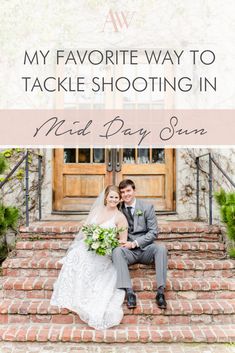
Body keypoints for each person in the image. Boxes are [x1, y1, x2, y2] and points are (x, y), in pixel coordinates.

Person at [50, 185, 128, 329]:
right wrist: (92, 240)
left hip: (104, 253)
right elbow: (86, 230)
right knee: (76, 254)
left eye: (116, 197)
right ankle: (74, 292)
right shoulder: (97, 210)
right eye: (111, 196)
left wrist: (106, 243)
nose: (113, 199)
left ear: (120, 200)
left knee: (89, 263)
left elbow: (123, 241)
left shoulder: (120, 217)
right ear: (106, 197)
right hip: (89, 247)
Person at [112, 179, 168, 309]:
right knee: (116, 251)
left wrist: (135, 243)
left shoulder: (147, 207)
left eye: (128, 191)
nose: (126, 194)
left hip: (146, 249)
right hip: (128, 251)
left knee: (161, 248)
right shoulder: (117, 209)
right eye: (122, 192)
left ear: (134, 191)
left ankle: (160, 292)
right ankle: (129, 292)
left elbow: (154, 232)